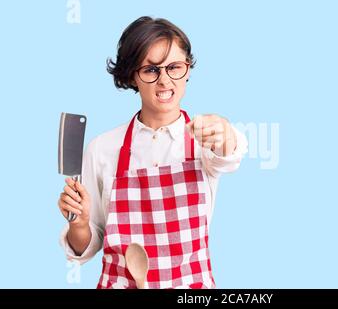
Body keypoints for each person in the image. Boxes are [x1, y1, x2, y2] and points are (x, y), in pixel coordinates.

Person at [57, 16, 248, 289]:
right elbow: (87, 245)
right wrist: (80, 223)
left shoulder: (205, 139)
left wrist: (226, 132)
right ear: (133, 75)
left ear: (188, 69)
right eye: (150, 70)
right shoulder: (102, 148)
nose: (164, 80)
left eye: (174, 67)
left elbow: (230, 153)